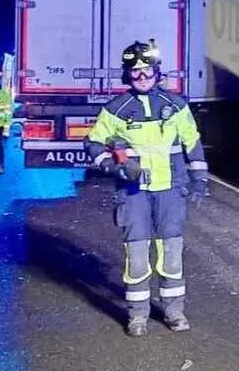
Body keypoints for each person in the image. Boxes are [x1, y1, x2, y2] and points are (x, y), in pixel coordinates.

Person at [84, 39, 210, 337]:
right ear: (128, 75)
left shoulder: (175, 106)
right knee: (137, 255)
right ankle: (138, 315)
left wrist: (200, 180)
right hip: (133, 192)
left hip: (170, 190)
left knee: (171, 253)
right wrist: (113, 167)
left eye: (148, 71)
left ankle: (173, 311)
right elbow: (93, 143)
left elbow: (192, 142)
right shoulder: (116, 109)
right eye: (136, 72)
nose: (143, 77)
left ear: (157, 72)